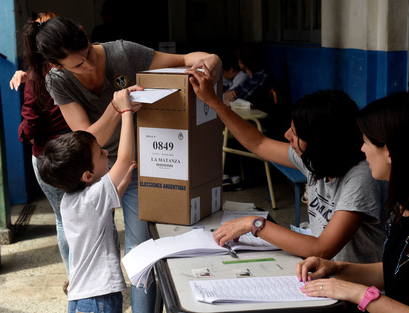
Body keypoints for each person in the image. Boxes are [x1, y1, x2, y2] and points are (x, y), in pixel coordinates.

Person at [22, 15, 221, 313]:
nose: (88, 66)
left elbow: (189, 58)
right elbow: (87, 140)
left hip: (137, 166)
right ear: (57, 66)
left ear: (84, 33)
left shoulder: (123, 53)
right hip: (101, 166)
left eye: (88, 53)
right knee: (97, 246)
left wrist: (212, 62)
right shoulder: (58, 81)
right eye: (77, 65)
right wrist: (119, 109)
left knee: (140, 251)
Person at [186, 65, 387, 264]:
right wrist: (215, 103)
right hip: (322, 271)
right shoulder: (315, 160)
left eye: (296, 133)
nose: (287, 136)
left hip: (354, 285)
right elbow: (259, 143)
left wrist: (254, 224)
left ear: (320, 141)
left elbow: (322, 248)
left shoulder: (360, 178)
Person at [297, 92, 409, 312]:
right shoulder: (401, 205)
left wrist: (357, 293)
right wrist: (336, 268)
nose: (362, 149)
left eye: (366, 142)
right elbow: (394, 272)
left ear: (388, 150)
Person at [39, 88, 137, 313]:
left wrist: (123, 182)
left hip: (80, 296)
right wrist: (126, 111)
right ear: (87, 176)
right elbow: (124, 157)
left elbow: (105, 209)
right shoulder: (93, 196)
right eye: (101, 153)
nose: (105, 153)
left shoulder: (70, 200)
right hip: (99, 297)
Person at [11, 12, 72, 292]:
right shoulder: (75, 67)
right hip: (78, 148)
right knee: (90, 215)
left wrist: (21, 132)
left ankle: (74, 277)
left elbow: (31, 126)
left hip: (48, 156)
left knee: (62, 218)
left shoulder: (36, 78)